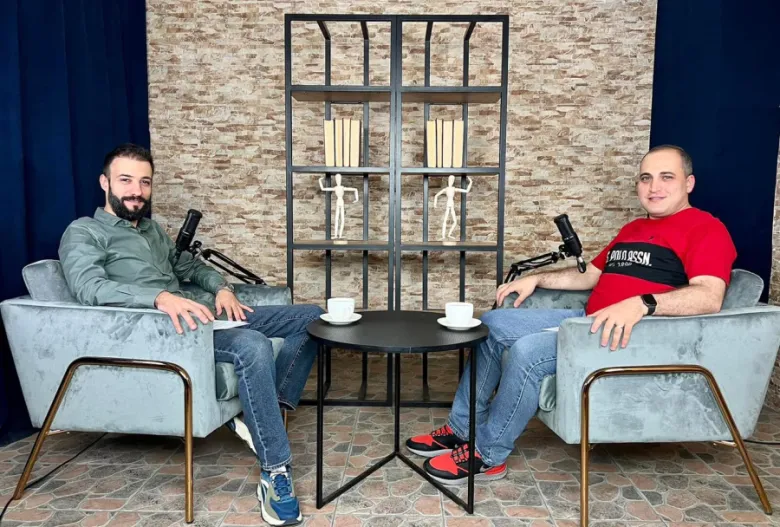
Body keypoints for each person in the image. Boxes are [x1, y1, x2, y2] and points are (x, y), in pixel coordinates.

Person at [405, 144, 737, 485]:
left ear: (688, 183)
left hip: (628, 335)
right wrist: (537, 279)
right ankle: (462, 427)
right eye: (646, 178)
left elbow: (709, 296)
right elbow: (590, 275)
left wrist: (643, 303)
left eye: (667, 177)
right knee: (491, 324)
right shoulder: (634, 229)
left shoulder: (706, 229)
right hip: (588, 320)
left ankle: (488, 455)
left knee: (528, 352)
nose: (654, 187)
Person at [59, 143, 321, 526]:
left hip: (201, 319)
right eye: (126, 180)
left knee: (313, 318)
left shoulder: (152, 231)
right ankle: (275, 470)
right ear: (105, 183)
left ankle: (266, 413)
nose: (136, 191)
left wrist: (222, 288)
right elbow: (88, 288)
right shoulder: (84, 231)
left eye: (144, 182)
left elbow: (190, 266)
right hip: (160, 333)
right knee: (252, 344)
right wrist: (159, 298)